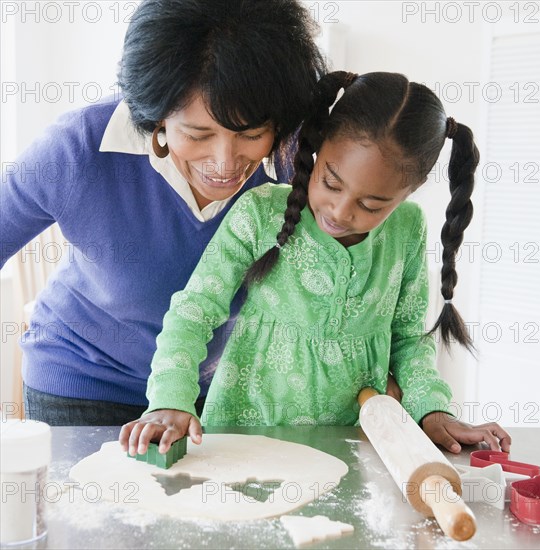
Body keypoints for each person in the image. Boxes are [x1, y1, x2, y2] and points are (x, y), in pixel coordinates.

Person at [120, 71, 512, 457]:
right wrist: (169, 399)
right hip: (242, 437)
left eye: (371, 204)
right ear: (319, 145)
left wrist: (433, 408)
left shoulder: (408, 230)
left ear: (413, 188)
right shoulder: (260, 213)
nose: (340, 212)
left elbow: (408, 341)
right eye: (331, 183)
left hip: (349, 444)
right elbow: (194, 311)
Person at [0, 0, 328, 425]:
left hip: (219, 395)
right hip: (85, 384)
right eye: (197, 134)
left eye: (250, 134)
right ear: (156, 116)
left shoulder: (301, 162)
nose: (226, 163)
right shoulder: (78, 148)